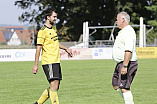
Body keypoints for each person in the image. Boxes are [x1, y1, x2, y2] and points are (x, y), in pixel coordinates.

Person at [32, 8, 73, 104]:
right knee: (53, 85)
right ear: (48, 17)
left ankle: (37, 103)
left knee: (55, 86)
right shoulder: (42, 31)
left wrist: (66, 49)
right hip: (48, 61)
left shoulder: (53, 29)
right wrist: (35, 64)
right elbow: (38, 48)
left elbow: (56, 42)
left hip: (56, 61)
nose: (56, 19)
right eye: (54, 17)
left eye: (56, 17)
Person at [112, 12, 138, 104]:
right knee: (116, 85)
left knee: (124, 88)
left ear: (123, 20)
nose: (116, 22)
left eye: (117, 20)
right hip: (120, 63)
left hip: (127, 63)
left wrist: (125, 65)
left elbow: (128, 50)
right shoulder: (123, 31)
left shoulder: (128, 31)